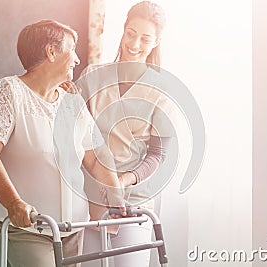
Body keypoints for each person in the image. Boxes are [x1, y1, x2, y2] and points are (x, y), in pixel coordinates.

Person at [0, 19, 126, 267]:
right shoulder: (10, 90)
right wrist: (14, 203)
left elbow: (95, 159)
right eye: (72, 49)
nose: (77, 59)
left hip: (73, 227)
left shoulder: (71, 101)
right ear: (51, 52)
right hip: (30, 227)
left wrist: (116, 198)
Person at [71, 2, 175, 266]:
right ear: (123, 30)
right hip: (92, 202)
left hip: (134, 205)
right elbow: (74, 133)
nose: (135, 43)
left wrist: (124, 180)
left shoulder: (162, 91)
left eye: (145, 38)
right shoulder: (93, 76)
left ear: (157, 42)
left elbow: (157, 155)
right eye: (131, 33)